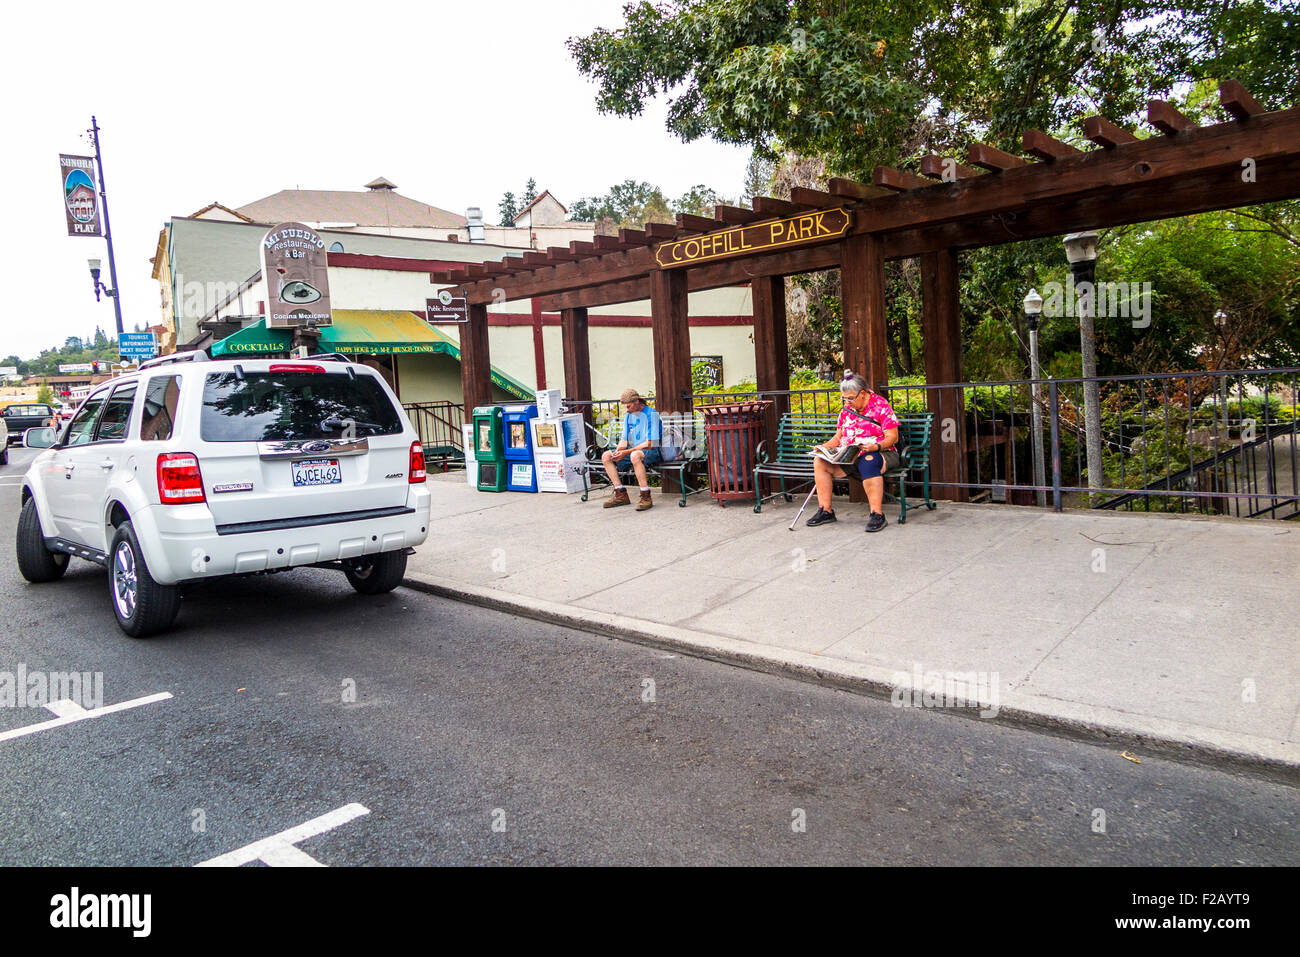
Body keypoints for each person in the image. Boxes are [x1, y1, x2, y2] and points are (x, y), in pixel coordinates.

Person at [806, 371, 901, 532]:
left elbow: (893, 437)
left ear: (862, 393)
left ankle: (877, 514)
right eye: (844, 398)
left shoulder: (880, 405)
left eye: (851, 398)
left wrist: (875, 447)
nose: (847, 402)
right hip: (851, 454)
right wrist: (824, 447)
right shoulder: (846, 411)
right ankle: (826, 510)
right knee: (820, 461)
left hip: (882, 452)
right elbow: (838, 437)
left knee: (868, 461)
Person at [601, 388, 663, 511]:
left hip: (652, 451)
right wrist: (618, 452)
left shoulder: (652, 414)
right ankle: (620, 494)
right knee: (606, 456)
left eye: (628, 406)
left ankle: (646, 496)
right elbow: (624, 440)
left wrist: (627, 452)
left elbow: (651, 443)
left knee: (634, 455)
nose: (626, 410)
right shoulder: (629, 416)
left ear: (636, 402)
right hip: (633, 450)